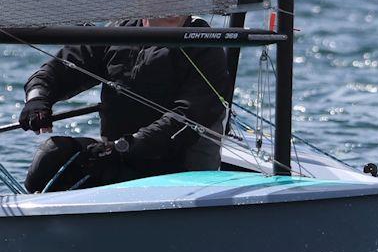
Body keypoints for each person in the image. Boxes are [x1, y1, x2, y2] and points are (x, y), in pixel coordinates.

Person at [18, 15, 230, 193]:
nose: (175, 0)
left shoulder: (204, 43)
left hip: (179, 174)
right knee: (50, 156)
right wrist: (37, 99)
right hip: (117, 159)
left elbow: (191, 116)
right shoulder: (119, 32)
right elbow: (54, 72)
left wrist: (125, 147)